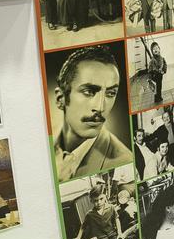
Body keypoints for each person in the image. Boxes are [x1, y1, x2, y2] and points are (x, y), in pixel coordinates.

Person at [53, 45, 134, 181]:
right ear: (61, 98)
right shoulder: (45, 144)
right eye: (89, 92)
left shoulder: (124, 162)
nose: (100, 107)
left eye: (110, 93)